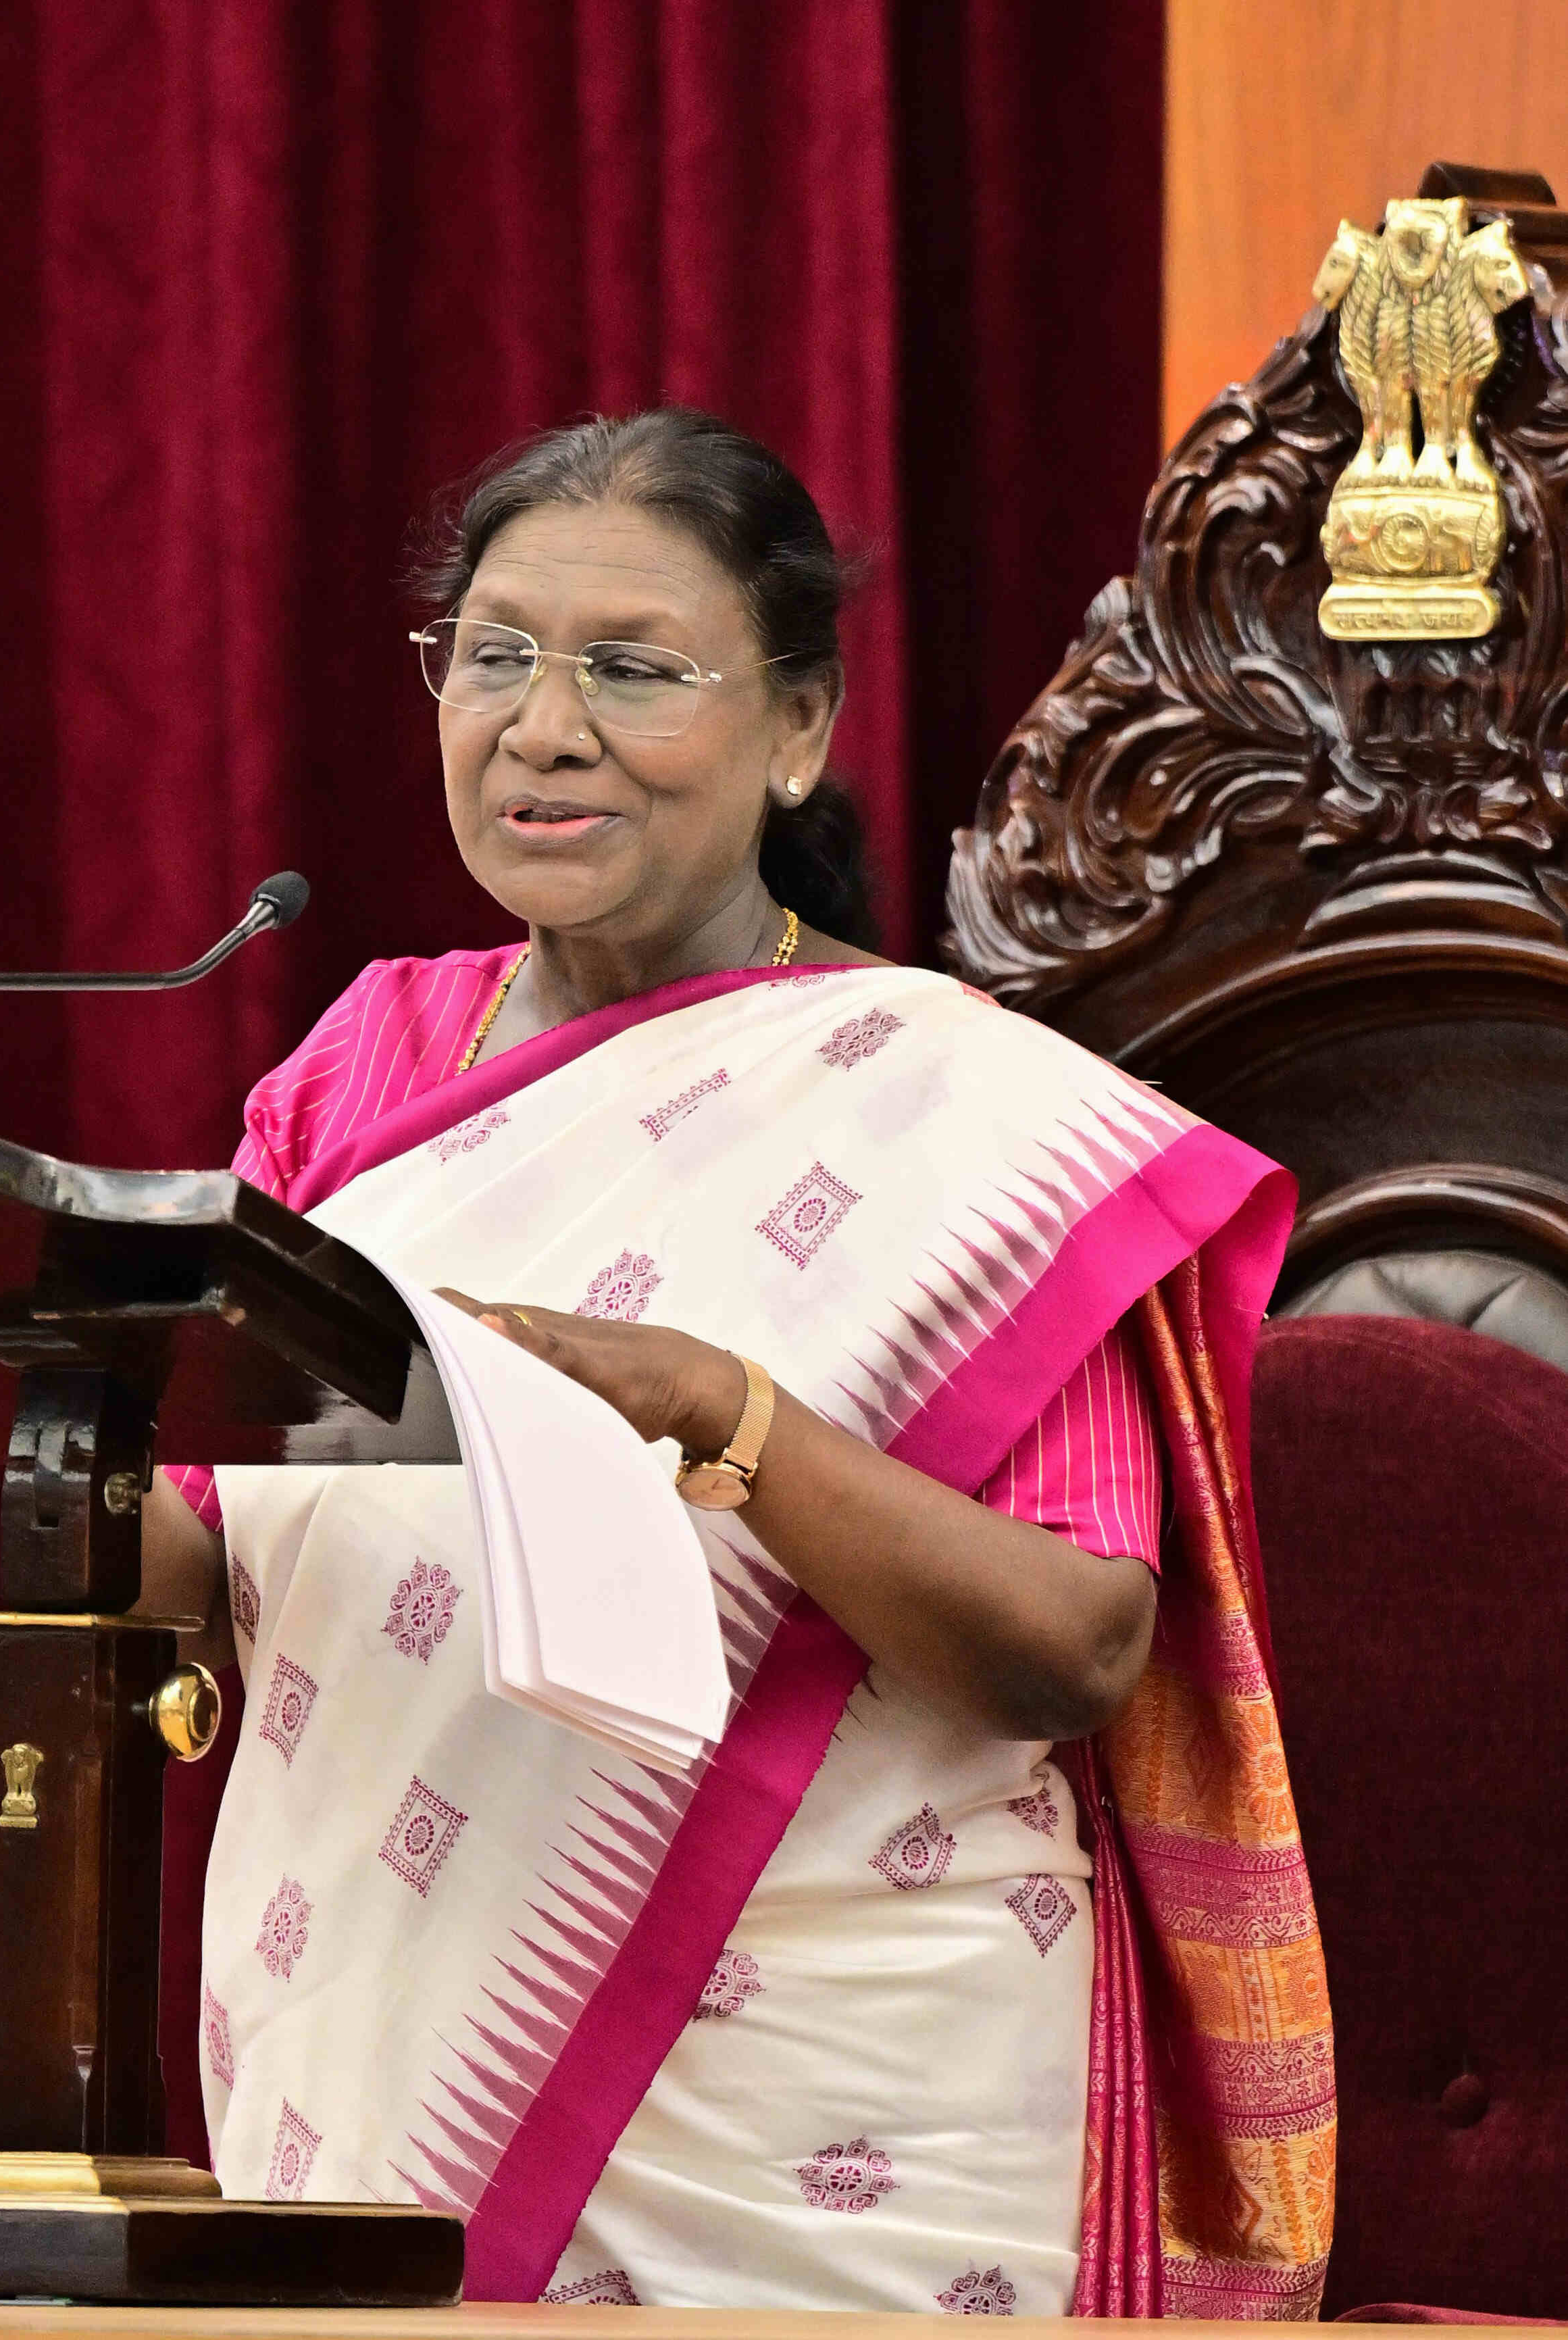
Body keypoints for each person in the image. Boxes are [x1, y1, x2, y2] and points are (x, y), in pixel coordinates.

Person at [143, 407, 1334, 2316]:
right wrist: (36, 1405)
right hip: (376, 2029)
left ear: (794, 729)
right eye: (494, 653)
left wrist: (724, 1413)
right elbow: (211, 1543)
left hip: (825, 2108)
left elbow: (1076, 1648)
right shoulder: (359, 1071)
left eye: (633, 670)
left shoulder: (958, 1120)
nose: (541, 724)